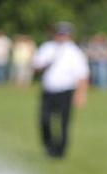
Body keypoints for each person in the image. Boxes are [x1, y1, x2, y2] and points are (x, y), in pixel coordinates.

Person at [32, 21, 89, 158]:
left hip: (66, 91)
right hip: (49, 91)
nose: (62, 37)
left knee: (63, 122)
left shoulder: (75, 52)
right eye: (60, 33)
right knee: (44, 120)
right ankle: (49, 145)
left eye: (65, 34)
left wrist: (81, 94)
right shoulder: (47, 47)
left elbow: (82, 75)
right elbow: (35, 65)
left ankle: (60, 151)